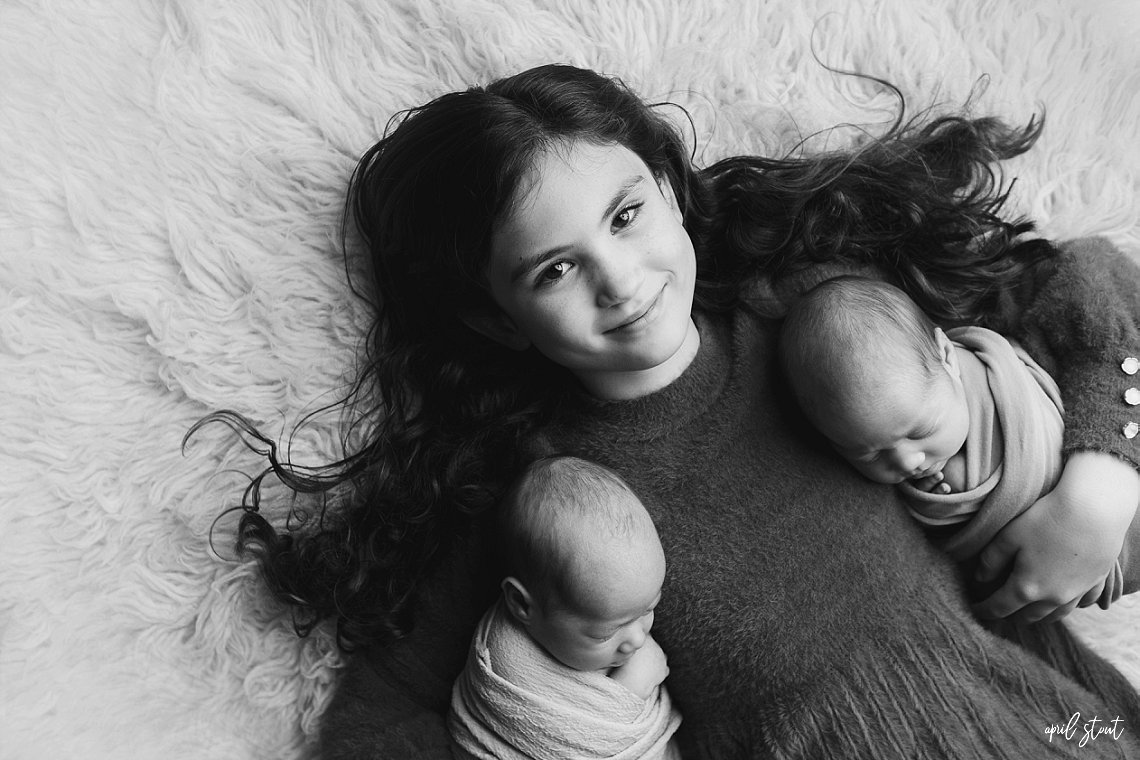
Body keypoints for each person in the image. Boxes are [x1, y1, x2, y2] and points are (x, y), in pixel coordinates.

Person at [203, 64, 1140, 757]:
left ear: (670, 191)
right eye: (555, 270)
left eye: (624, 216)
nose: (621, 283)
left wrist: (1101, 482)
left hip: (1056, 722)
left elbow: (1095, 286)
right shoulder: (541, 498)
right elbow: (376, 718)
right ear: (497, 316)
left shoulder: (816, 324)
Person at [778, 275, 1127, 610]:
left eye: (921, 431)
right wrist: (938, 505)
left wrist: (1097, 498)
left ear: (947, 356)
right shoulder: (911, 425)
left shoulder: (994, 368)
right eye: (869, 453)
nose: (907, 462)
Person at [448, 455, 681, 760]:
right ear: (521, 604)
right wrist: (632, 687)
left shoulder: (580, 625)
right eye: (603, 634)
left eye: (648, 609)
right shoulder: (505, 663)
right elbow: (577, 742)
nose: (638, 639)